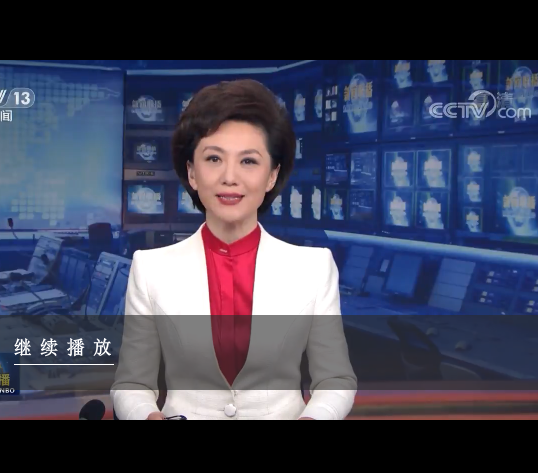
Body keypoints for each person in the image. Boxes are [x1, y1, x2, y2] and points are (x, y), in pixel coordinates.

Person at [111, 79, 357, 421]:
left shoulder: (314, 268)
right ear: (192, 172)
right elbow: (132, 384)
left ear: (272, 176)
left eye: (248, 161)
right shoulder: (150, 268)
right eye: (214, 158)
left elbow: (335, 380)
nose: (230, 177)